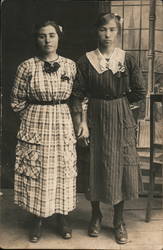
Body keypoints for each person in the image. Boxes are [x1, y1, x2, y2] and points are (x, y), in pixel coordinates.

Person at [73, 13, 146, 244]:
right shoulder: (85, 61)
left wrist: (122, 108)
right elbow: (78, 94)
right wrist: (82, 122)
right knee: (95, 163)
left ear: (118, 32)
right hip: (93, 115)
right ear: (97, 32)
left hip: (120, 117)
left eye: (112, 30)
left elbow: (139, 91)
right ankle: (95, 214)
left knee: (120, 165)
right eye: (103, 29)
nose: (107, 34)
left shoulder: (128, 59)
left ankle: (118, 220)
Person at [11, 20, 77, 242]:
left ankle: (62, 217)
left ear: (59, 37)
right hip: (36, 121)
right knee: (37, 171)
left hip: (62, 121)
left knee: (62, 169)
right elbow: (17, 100)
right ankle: (37, 219)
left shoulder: (69, 65)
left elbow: (78, 97)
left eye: (51, 35)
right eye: (42, 36)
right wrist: (32, 118)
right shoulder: (26, 66)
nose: (47, 40)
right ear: (36, 39)